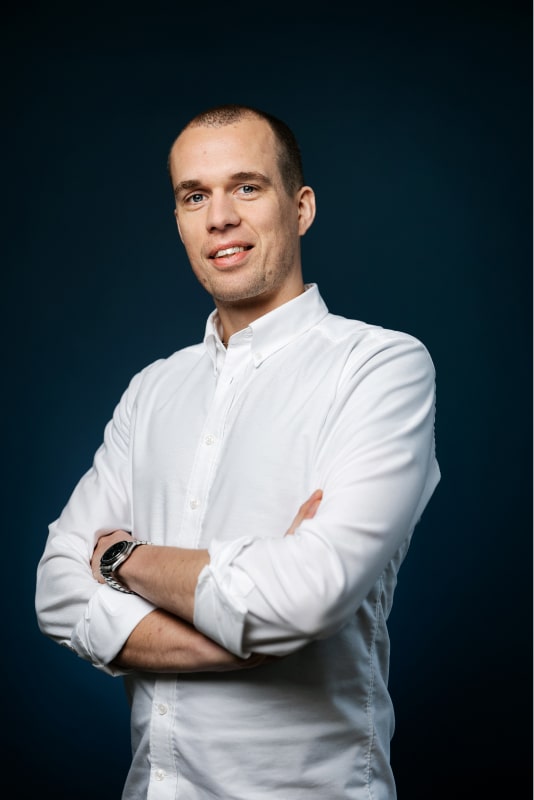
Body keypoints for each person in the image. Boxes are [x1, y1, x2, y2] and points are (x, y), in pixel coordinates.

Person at [35, 103, 440, 800]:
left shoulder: (379, 367)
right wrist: (243, 634)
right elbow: (55, 591)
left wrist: (121, 559)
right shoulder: (152, 389)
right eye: (195, 196)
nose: (219, 217)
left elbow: (308, 596)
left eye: (247, 187)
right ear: (179, 220)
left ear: (300, 207)